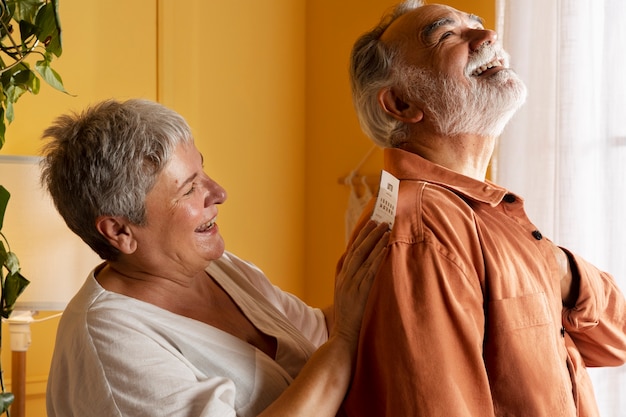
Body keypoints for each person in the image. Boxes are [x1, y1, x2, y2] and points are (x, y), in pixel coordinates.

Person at [339, 1, 626, 416]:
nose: (488, 36)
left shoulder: (482, 214)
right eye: (446, 35)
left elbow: (616, 341)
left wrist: (560, 267)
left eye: (476, 24)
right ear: (401, 104)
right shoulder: (422, 225)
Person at [41, 98, 389, 417]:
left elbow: (318, 332)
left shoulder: (216, 267)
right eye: (189, 188)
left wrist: (383, 266)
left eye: (203, 171)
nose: (219, 193)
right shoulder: (109, 344)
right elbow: (340, 337)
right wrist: (345, 338)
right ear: (120, 232)